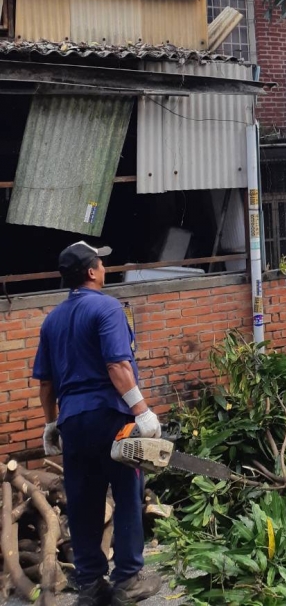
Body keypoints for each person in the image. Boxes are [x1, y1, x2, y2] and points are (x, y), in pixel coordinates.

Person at [33, 241, 163, 606]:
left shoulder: (52, 319)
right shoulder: (107, 308)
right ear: (91, 272)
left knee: (84, 500)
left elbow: (45, 383)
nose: (105, 267)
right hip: (112, 419)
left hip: (73, 421)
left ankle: (90, 584)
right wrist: (142, 412)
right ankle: (127, 580)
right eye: (101, 262)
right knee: (127, 494)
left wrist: (50, 425)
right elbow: (117, 366)